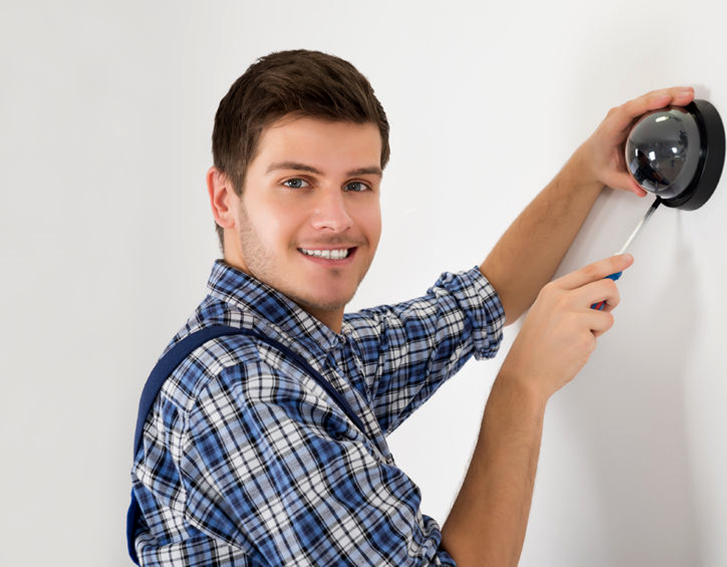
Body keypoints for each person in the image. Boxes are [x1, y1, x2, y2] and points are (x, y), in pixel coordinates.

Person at [128, 49, 694, 566]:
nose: (335, 219)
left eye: (357, 185)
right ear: (224, 198)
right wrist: (521, 388)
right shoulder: (244, 390)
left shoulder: (302, 350)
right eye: (297, 182)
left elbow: (483, 300)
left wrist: (588, 169)